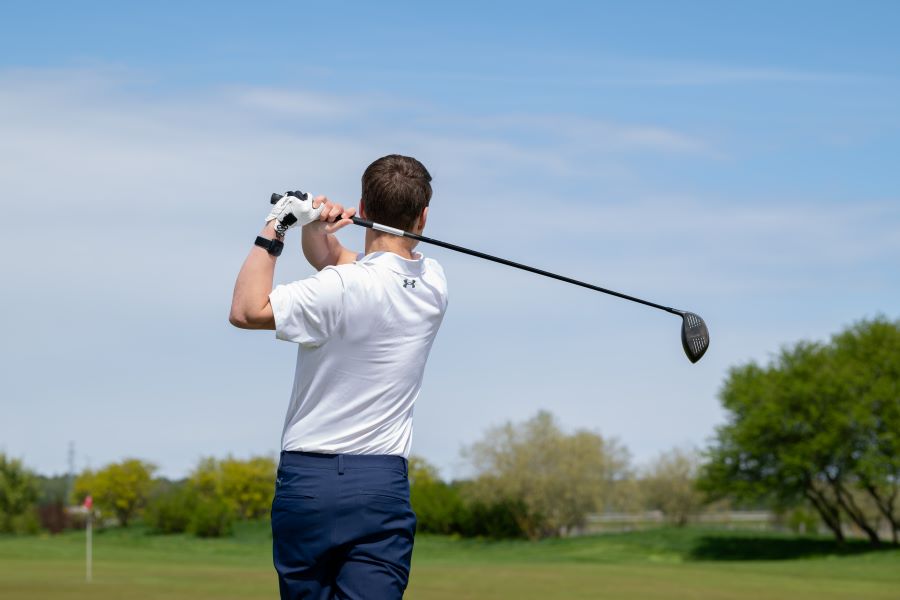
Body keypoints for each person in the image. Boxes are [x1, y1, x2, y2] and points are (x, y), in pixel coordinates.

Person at [229, 154, 448, 599]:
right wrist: (315, 227)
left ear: (363, 207)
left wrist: (278, 225)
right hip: (382, 487)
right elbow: (336, 262)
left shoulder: (338, 289)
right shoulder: (433, 282)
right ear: (423, 216)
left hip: (309, 482)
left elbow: (247, 310)